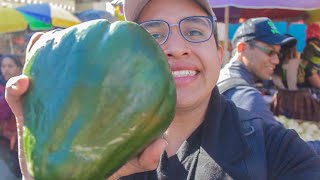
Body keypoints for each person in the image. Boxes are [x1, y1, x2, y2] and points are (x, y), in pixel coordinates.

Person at [5, 1, 320, 179]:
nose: (176, 48)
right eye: (152, 36)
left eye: (195, 31)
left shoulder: (274, 150)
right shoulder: (90, 152)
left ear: (220, 54)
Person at [217, 17, 320, 151]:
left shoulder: (226, 76)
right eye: (270, 51)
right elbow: (287, 151)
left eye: (278, 53)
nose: (276, 60)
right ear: (242, 48)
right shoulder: (244, 95)